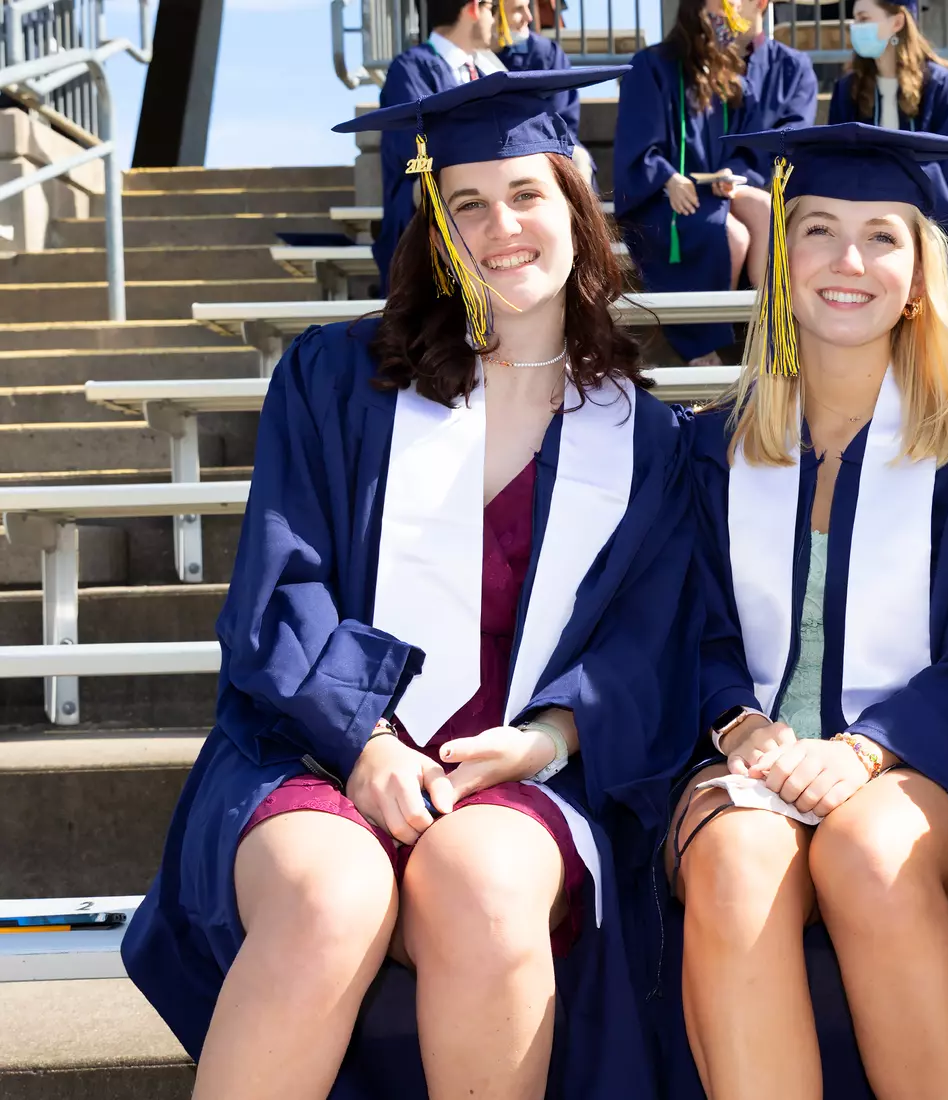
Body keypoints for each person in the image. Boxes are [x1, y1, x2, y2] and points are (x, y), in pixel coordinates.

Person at [119, 70, 700, 1100]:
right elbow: (280, 590)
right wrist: (368, 742)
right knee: (331, 893)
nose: (500, 227)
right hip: (310, 748)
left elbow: (648, 648)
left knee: (480, 887)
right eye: (465, 203)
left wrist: (548, 738)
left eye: (526, 194)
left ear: (576, 205)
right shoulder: (337, 380)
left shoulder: (648, 442)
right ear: (434, 224)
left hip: (520, 776)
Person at [665, 123, 948, 1100]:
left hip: (925, 767)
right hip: (742, 759)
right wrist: (740, 721)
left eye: (882, 235)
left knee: (867, 847)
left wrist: (866, 749)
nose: (849, 261)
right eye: (819, 231)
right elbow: (684, 627)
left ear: (921, 269)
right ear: (779, 261)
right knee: (735, 858)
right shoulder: (704, 452)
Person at [613, 0, 818, 367]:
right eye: (715, 18)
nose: (724, 26)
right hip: (667, 197)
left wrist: (734, 171)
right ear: (695, 16)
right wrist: (666, 176)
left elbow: (748, 144)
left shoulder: (726, 71)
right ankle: (701, 346)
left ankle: (775, 331)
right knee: (733, 235)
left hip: (719, 190)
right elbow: (638, 143)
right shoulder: (653, 66)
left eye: (726, 17)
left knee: (766, 209)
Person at [830, 0, 948, 293]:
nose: (855, 28)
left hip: (926, 211)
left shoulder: (940, 84)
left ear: (897, 23)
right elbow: (836, 159)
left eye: (864, 18)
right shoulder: (848, 89)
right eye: (854, 20)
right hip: (864, 212)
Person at [370, 0, 507, 286]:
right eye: (490, 8)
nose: (494, 20)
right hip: (429, 200)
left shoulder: (487, 69)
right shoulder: (409, 70)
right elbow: (415, 148)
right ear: (472, 8)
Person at [493, 0, 595, 182]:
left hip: (542, 148)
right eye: (518, 10)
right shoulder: (468, 58)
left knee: (578, 159)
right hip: (487, 153)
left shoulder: (544, 54)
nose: (529, 17)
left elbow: (561, 121)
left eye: (527, 7)